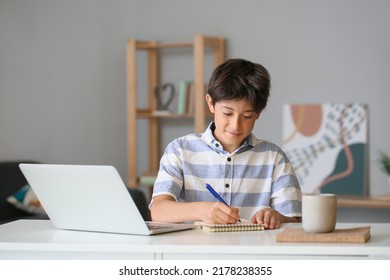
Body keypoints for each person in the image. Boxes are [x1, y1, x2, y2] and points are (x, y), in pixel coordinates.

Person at [149, 58, 302, 229]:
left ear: (258, 113)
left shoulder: (274, 158)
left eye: (247, 116)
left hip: (252, 253)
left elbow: (294, 221)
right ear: (211, 103)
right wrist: (201, 210)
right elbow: (158, 210)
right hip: (194, 253)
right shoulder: (179, 150)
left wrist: (276, 217)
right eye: (227, 113)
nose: (236, 125)